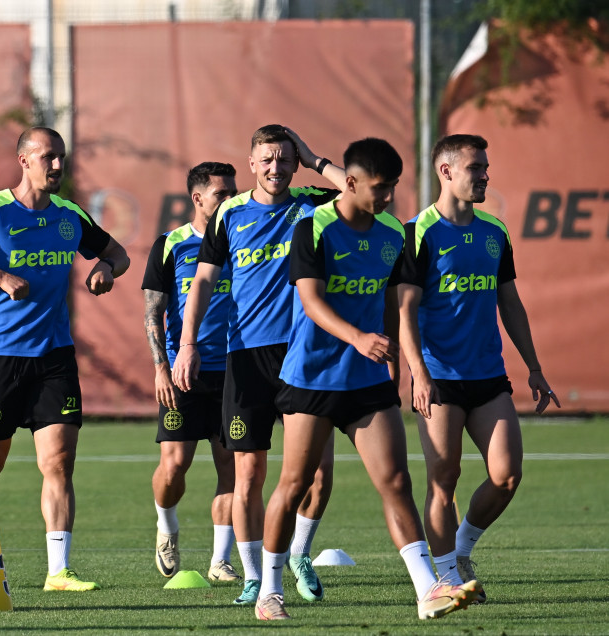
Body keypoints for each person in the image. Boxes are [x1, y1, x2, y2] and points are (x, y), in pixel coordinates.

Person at [254, 137, 480, 621]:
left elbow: (396, 303)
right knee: (293, 485)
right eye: (379, 188)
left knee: (396, 480)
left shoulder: (393, 234)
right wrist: (358, 337)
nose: (387, 197)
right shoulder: (312, 226)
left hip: (367, 382)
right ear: (351, 182)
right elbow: (311, 301)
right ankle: (268, 591)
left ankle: (427, 591)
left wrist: (404, 362)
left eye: (393, 188)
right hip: (311, 377)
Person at [0, 127, 130, 592]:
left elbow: (118, 253)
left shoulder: (69, 215)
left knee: (59, 461)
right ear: (23, 160)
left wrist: (105, 267)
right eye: (48, 157)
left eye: (62, 157)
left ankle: (58, 570)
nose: (58, 166)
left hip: (54, 356)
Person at [172, 125, 344, 605]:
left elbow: (366, 195)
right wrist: (187, 344)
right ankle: (252, 576)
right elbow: (203, 282)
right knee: (247, 476)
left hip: (305, 353)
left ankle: (300, 553)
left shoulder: (311, 204)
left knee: (317, 472)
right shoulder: (230, 212)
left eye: (285, 159)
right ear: (251, 163)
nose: (276, 168)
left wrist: (315, 158)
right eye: (267, 159)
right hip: (245, 358)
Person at [397, 134, 558, 603]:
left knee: (507, 475)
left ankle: (462, 548)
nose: (485, 175)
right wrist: (418, 374)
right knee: (442, 481)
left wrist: (534, 367)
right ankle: (445, 578)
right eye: (476, 168)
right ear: (446, 172)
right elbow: (405, 311)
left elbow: (509, 301)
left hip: (488, 377)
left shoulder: (495, 232)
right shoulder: (418, 232)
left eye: (486, 167)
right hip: (439, 378)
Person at [141, 162, 239, 582]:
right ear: (198, 199)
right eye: (223, 195)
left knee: (232, 467)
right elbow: (153, 311)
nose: (232, 201)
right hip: (184, 372)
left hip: (236, 371)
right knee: (175, 465)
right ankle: (167, 526)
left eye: (235, 193)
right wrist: (161, 367)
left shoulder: (245, 239)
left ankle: (220, 561)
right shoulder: (172, 244)